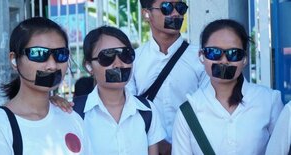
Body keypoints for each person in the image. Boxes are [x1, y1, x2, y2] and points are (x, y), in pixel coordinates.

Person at [171, 19, 284, 155]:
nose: (224, 60)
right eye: (214, 52)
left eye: (233, 54)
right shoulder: (188, 111)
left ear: (245, 59)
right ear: (201, 56)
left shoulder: (269, 101)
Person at [0, 17, 91, 155]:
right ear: (14, 60)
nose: (52, 65)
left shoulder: (72, 118)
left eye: (60, 54)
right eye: (38, 54)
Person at [127, 0, 208, 154]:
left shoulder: (201, 58)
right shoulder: (133, 61)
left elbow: (208, 107)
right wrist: (158, 142)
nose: (176, 13)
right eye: (167, 7)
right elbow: (129, 107)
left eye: (180, 7)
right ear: (146, 13)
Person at [77, 25, 165, 155]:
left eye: (125, 55)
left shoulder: (147, 111)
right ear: (89, 66)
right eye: (107, 56)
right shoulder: (75, 114)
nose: (118, 64)